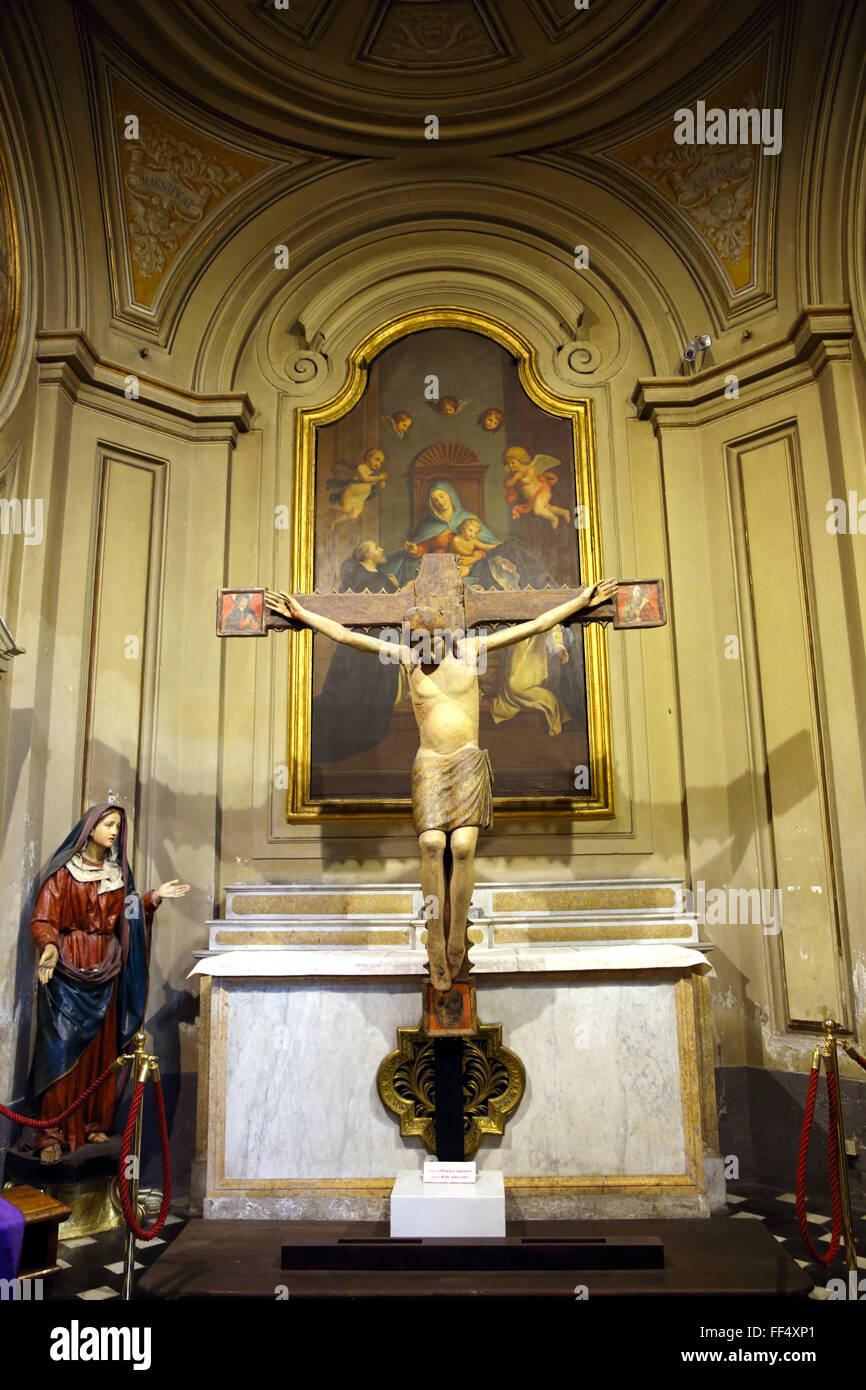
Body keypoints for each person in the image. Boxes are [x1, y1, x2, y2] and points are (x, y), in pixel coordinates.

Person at [266, 577, 618, 991]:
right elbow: (346, 635)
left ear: (442, 636)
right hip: (430, 763)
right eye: (414, 643)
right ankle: (434, 940)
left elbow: (535, 625)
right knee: (432, 844)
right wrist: (303, 615)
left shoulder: (470, 652)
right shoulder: (406, 659)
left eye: (426, 642)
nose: (421, 651)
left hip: (468, 761)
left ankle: (456, 939)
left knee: (464, 846)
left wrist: (579, 601)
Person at [24, 804, 189, 1164]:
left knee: (102, 1053)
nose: (114, 831)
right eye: (107, 823)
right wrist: (50, 946)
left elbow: (128, 917)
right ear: (90, 828)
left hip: (106, 969)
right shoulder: (64, 873)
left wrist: (152, 898)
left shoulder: (117, 873)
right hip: (69, 970)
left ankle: (93, 1123)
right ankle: (51, 1132)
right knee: (62, 1052)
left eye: (117, 825)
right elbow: (43, 918)